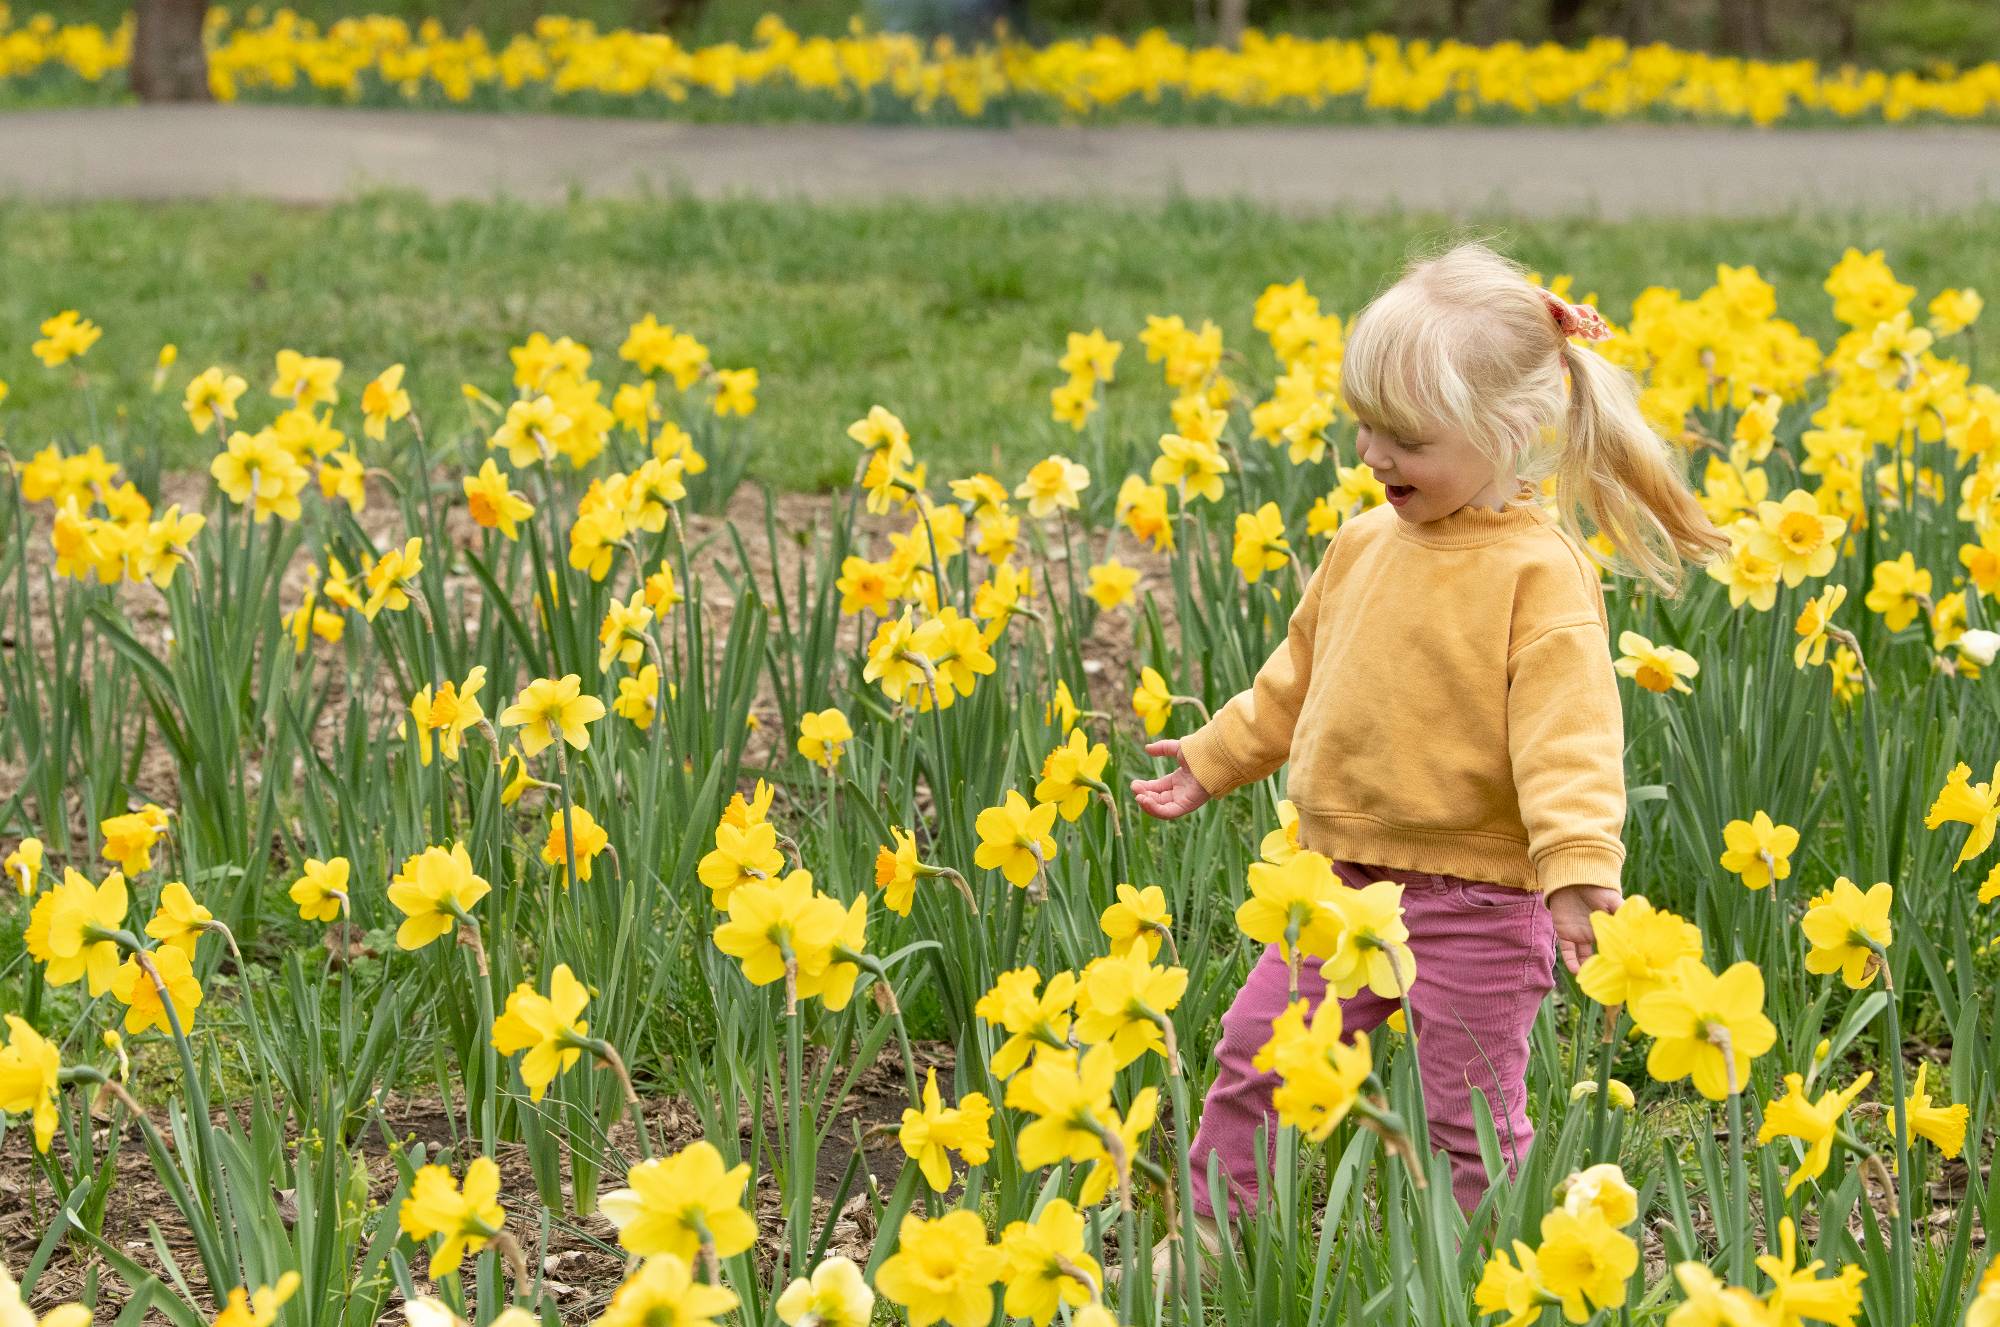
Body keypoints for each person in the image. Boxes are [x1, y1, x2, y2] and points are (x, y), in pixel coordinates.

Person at [1129, 239, 1730, 1257]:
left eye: (1403, 437)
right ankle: (1210, 1234)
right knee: (1253, 1055)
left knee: (1468, 1120)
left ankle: (1475, 1272)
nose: (1371, 454)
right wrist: (1215, 756)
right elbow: (1297, 671)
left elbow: (1568, 739)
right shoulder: (1363, 542)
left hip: (1478, 905)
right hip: (1338, 880)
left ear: (1509, 431)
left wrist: (1575, 869)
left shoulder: (1536, 574)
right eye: (1363, 426)